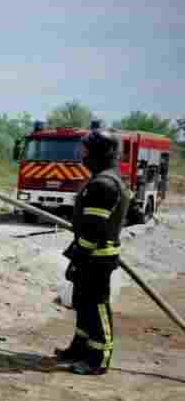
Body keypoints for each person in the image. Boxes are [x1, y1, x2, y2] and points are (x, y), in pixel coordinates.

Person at [54, 129, 131, 375]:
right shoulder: (104, 180)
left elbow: (94, 230)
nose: (82, 155)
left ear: (99, 153)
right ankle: (80, 349)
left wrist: (79, 256)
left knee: (97, 306)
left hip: (96, 258)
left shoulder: (103, 185)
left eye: (86, 151)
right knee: (84, 305)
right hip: (92, 255)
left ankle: (98, 359)